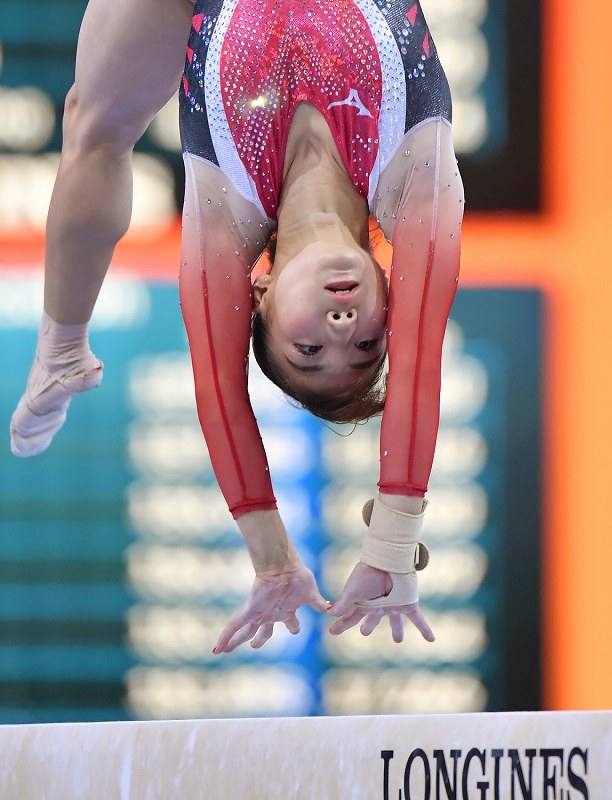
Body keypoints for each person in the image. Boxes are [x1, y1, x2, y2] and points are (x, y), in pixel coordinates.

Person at [11, 0, 464, 654]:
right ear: (393, 298)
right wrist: (393, 540)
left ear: (259, 294)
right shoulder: (417, 174)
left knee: (95, 120)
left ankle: (60, 344)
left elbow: (220, 392)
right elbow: (420, 365)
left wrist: (273, 559)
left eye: (309, 348)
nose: (342, 324)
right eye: (366, 342)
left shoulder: (228, 206)